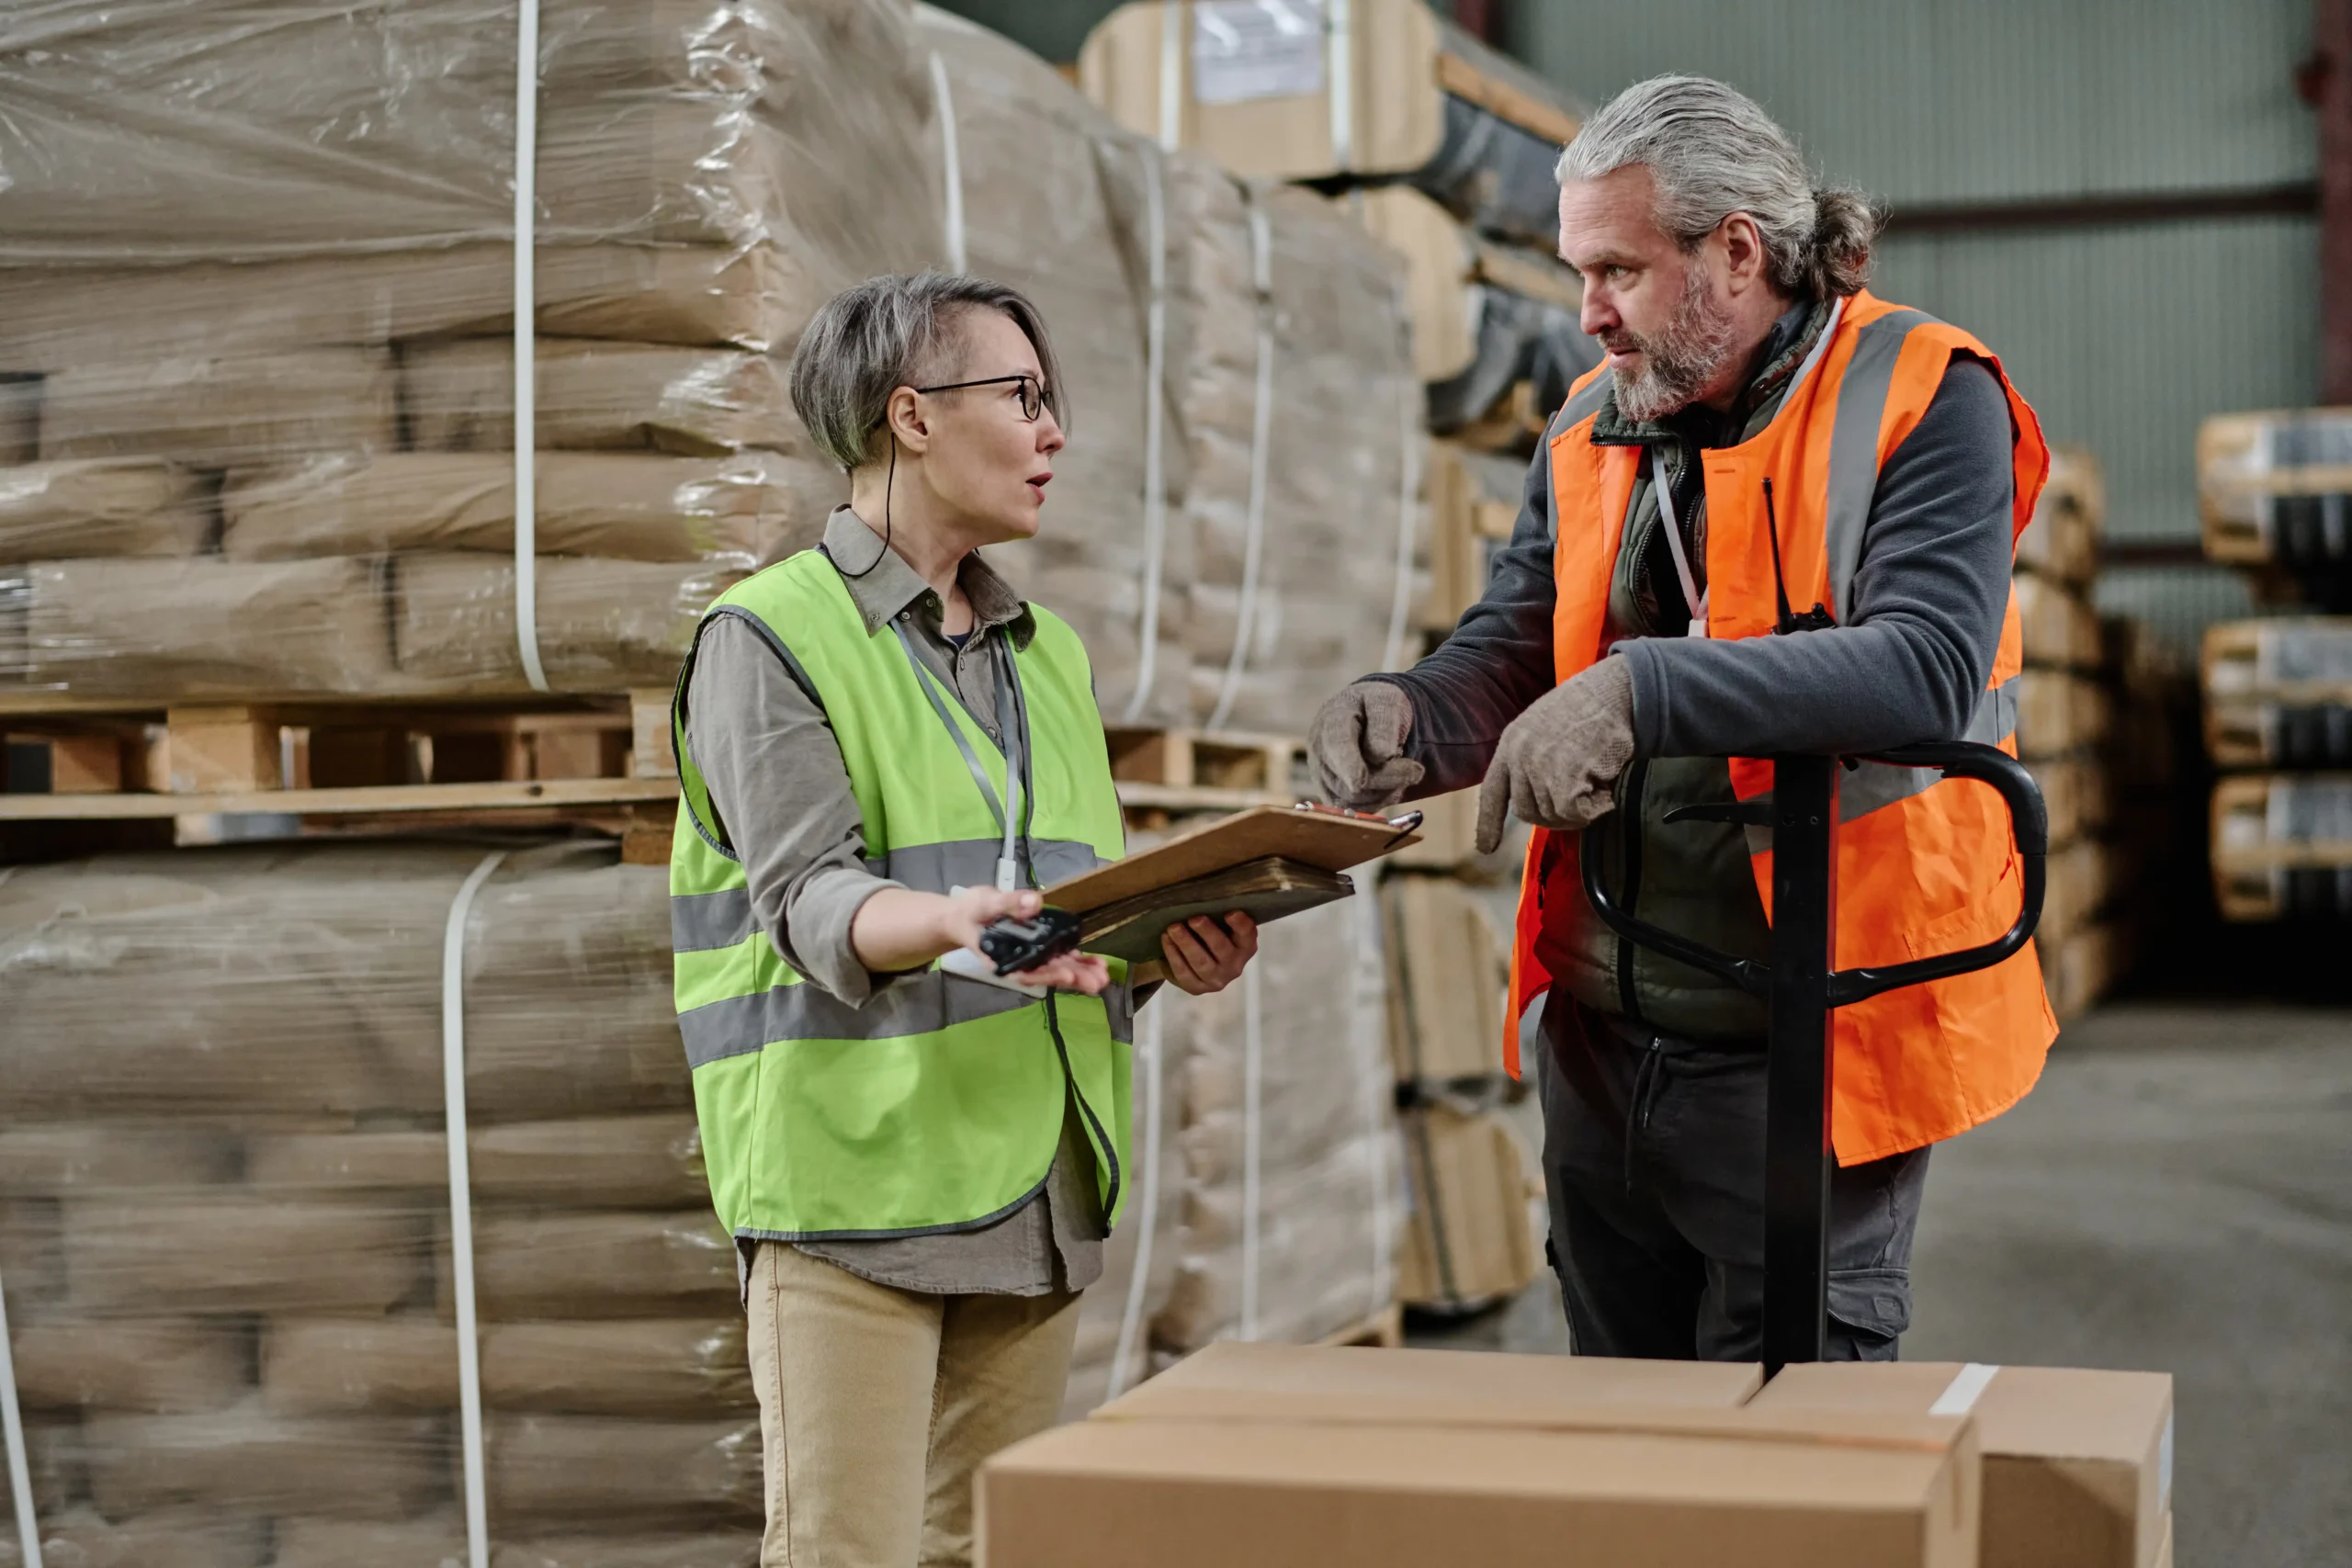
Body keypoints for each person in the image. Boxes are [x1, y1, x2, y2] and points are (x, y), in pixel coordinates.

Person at [1310, 75, 2054, 1363]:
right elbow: (1516, 641)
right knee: (1627, 1464)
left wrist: (1644, 691)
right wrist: (1414, 715)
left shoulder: (1929, 395)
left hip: (1809, 1043)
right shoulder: (1597, 419)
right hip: (1602, 1045)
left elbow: (1927, 664)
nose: (1587, 314)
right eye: (1576, 272)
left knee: (1789, 1482)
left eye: (1617, 271)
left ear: (1739, 253)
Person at [666, 273, 1258, 1567]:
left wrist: (1161, 949)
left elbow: (1059, 920)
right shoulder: (767, 637)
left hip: (1034, 1188)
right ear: (912, 417)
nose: (1054, 433)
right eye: (1024, 397)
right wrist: (943, 920)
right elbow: (807, 896)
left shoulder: (1046, 652)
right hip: (856, 1190)